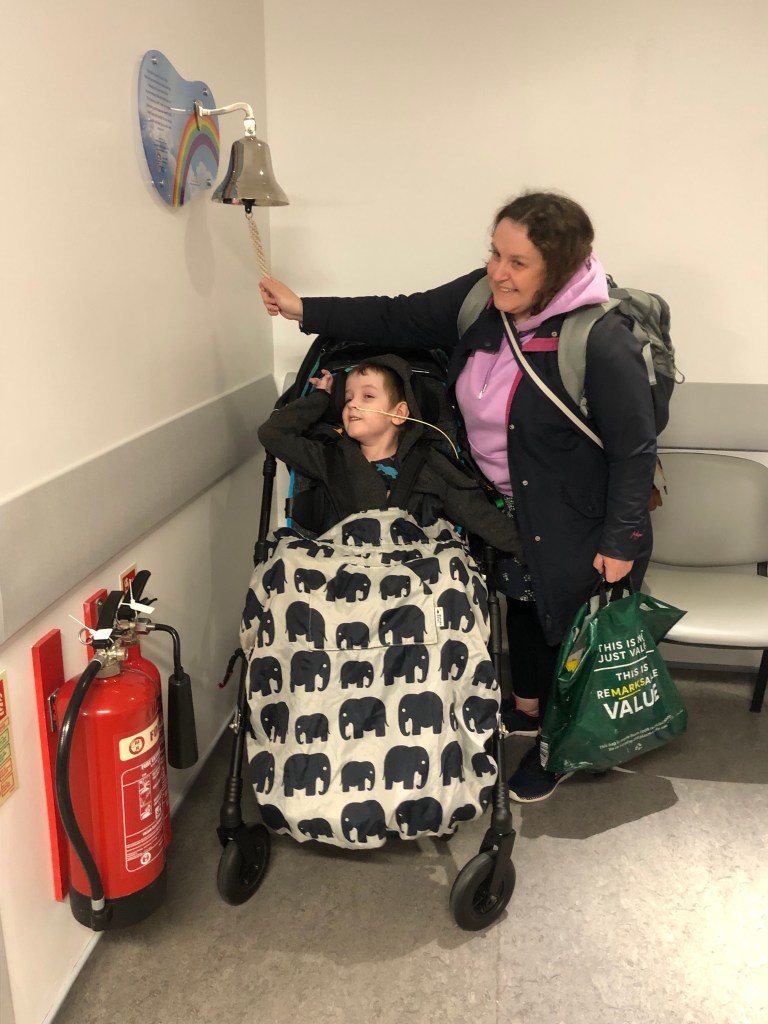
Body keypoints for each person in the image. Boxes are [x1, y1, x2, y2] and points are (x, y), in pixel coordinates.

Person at [259, 190, 657, 802]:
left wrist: (622, 538)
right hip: (501, 501)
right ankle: (525, 713)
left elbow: (634, 450)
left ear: (560, 264)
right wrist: (303, 307)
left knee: (568, 632)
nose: (500, 271)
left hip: (579, 516)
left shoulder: (599, 339)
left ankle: (558, 751)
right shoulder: (481, 301)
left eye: (519, 262)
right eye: (495, 253)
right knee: (524, 609)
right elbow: (396, 317)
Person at [258, 353, 525, 556]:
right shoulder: (328, 457)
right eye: (348, 398)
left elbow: (480, 516)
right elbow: (273, 435)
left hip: (413, 582)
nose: (352, 404)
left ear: (398, 413)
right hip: (340, 578)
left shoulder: (428, 466)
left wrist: (535, 554)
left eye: (368, 396)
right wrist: (321, 399)